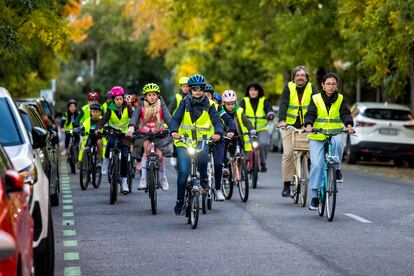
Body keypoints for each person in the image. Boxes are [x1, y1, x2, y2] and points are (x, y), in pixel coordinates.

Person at [170, 74, 224, 215]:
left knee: (203, 154)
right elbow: (175, 119)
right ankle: (180, 201)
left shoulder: (211, 105)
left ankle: (204, 179)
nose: (198, 91)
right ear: (190, 90)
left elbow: (217, 121)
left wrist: (218, 132)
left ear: (203, 89)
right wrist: (174, 131)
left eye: (200, 88)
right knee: (183, 172)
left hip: (202, 140)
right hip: (184, 141)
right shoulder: (184, 102)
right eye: (194, 89)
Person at [304, 72, 354, 210]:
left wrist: (349, 126)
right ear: (323, 85)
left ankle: (337, 168)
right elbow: (310, 114)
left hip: (334, 132)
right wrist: (308, 126)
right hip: (317, 136)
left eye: (333, 84)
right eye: (328, 84)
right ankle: (314, 196)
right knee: (317, 165)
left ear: (336, 86)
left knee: (339, 143)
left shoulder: (340, 99)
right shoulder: (316, 98)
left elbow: (345, 113)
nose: (331, 86)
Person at [278, 65, 319, 197]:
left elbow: (317, 105)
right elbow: (283, 104)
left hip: (307, 126)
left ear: (307, 78)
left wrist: (312, 123)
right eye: (297, 75)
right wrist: (282, 120)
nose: (300, 78)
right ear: (294, 78)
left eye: (303, 75)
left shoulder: (312, 88)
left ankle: (315, 183)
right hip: (290, 126)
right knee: (288, 153)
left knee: (312, 154)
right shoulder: (288, 88)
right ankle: (286, 184)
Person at [126, 83, 172, 191]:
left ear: (157, 96)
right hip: (144, 133)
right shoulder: (141, 105)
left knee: (159, 155)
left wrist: (174, 130)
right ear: (145, 96)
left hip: (158, 132)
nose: (152, 97)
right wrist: (131, 127)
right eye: (149, 95)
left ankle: (163, 177)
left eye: (154, 95)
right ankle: (143, 178)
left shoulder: (161, 105)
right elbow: (134, 116)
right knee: (146, 149)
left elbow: (168, 118)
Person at [95, 86, 134, 194]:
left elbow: (134, 118)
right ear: (113, 100)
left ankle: (124, 182)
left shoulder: (128, 108)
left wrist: (135, 128)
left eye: (121, 99)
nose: (119, 101)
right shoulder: (110, 108)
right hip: (112, 131)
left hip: (125, 134)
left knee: (125, 155)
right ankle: (106, 161)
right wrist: (98, 128)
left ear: (123, 98)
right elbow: (103, 120)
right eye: (117, 99)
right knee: (110, 143)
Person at [204, 84, 236, 201]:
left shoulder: (217, 108)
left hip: (218, 139)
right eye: (205, 94)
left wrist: (231, 130)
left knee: (218, 165)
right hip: (202, 140)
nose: (207, 97)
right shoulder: (195, 107)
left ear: (212, 96)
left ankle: (218, 190)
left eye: (209, 95)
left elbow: (228, 119)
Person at [239, 83, 275, 172]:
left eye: (255, 90)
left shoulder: (264, 101)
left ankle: (263, 163)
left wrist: (270, 114)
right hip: (248, 129)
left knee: (264, 144)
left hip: (261, 129)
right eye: (251, 90)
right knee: (247, 144)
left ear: (259, 91)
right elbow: (239, 110)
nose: (253, 92)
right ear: (248, 91)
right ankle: (246, 162)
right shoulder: (244, 101)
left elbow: (269, 109)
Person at [222, 90, 255, 161]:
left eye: (232, 103)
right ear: (224, 103)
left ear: (235, 102)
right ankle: (225, 165)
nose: (230, 106)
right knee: (222, 149)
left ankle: (239, 166)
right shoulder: (220, 110)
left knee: (238, 151)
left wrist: (251, 129)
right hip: (225, 134)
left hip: (237, 134)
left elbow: (246, 121)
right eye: (228, 104)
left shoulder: (239, 111)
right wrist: (224, 133)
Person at [168, 77, 190, 169]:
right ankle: (174, 154)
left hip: (188, 123)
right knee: (176, 138)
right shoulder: (177, 97)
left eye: (187, 86)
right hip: (178, 122)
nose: (185, 88)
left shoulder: (193, 96)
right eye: (183, 86)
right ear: (180, 87)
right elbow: (169, 110)